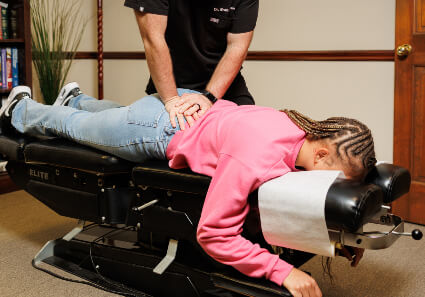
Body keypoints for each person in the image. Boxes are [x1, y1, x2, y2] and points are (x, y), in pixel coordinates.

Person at [0, 83, 376, 297]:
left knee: (103, 119)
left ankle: (77, 98)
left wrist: (332, 240)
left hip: (185, 104)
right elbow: (212, 234)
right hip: (158, 128)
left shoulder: (296, 128)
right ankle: (20, 109)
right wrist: (281, 272)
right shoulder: (257, 157)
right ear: (323, 151)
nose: (334, 187)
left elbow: (279, 206)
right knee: (77, 128)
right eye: (338, 177)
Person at [124, 0, 260, 130]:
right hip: (170, 81)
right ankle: (75, 101)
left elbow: (238, 46)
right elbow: (153, 38)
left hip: (223, 84)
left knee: (250, 131)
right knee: (168, 134)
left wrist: (209, 97)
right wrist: (171, 101)